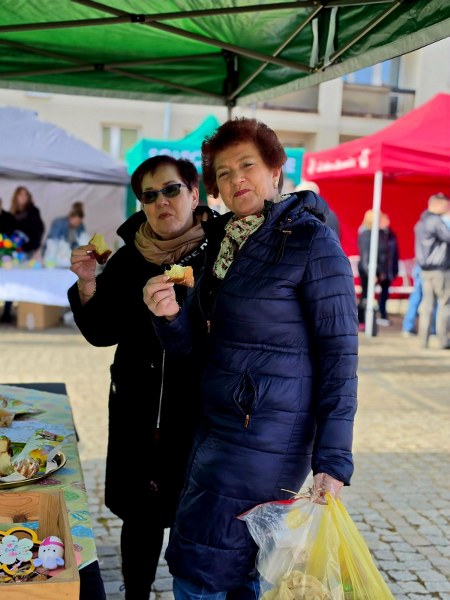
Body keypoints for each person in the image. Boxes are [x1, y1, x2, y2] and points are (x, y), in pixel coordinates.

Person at [143, 117, 359, 598]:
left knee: (202, 566)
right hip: (215, 423)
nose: (236, 179)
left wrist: (332, 460)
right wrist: (169, 316)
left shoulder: (312, 242)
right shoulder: (224, 243)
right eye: (223, 173)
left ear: (275, 170)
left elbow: (340, 357)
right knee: (238, 565)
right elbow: (192, 347)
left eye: (247, 165)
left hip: (269, 433)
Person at [68, 155, 217, 600]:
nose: (161, 202)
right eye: (149, 196)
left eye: (171, 190)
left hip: (200, 411)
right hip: (137, 409)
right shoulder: (130, 257)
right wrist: (88, 283)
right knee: (140, 516)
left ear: (194, 193)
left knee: (200, 514)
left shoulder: (222, 251)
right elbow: (102, 332)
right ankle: (136, 593)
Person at [1, 186, 45, 323]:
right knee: (10, 279)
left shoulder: (32, 212)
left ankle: (22, 312)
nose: (23, 197)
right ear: (16, 196)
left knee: (22, 279)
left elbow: (38, 231)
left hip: (25, 252)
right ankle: (8, 311)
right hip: (11, 251)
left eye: (25, 195)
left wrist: (31, 247)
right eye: (20, 195)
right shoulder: (12, 213)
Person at [414, 192, 450, 349]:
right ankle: (443, 340)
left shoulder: (421, 222)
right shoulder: (436, 221)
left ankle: (423, 340)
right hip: (440, 269)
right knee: (445, 304)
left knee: (427, 305)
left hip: (425, 269)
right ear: (438, 204)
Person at [357, 209, 399, 328]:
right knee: (366, 295)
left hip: (378, 270)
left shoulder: (381, 234)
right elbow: (365, 256)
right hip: (368, 270)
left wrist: (382, 271)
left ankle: (373, 318)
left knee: (371, 295)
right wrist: (370, 273)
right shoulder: (366, 234)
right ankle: (361, 320)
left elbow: (384, 254)